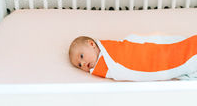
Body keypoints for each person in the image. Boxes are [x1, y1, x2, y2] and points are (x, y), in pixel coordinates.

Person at [69, 34, 197, 81]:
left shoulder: (110, 49)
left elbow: (134, 48)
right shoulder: (101, 68)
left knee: (174, 51)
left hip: (150, 53)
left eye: (82, 56)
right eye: (79, 65)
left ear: (92, 44)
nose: (84, 63)